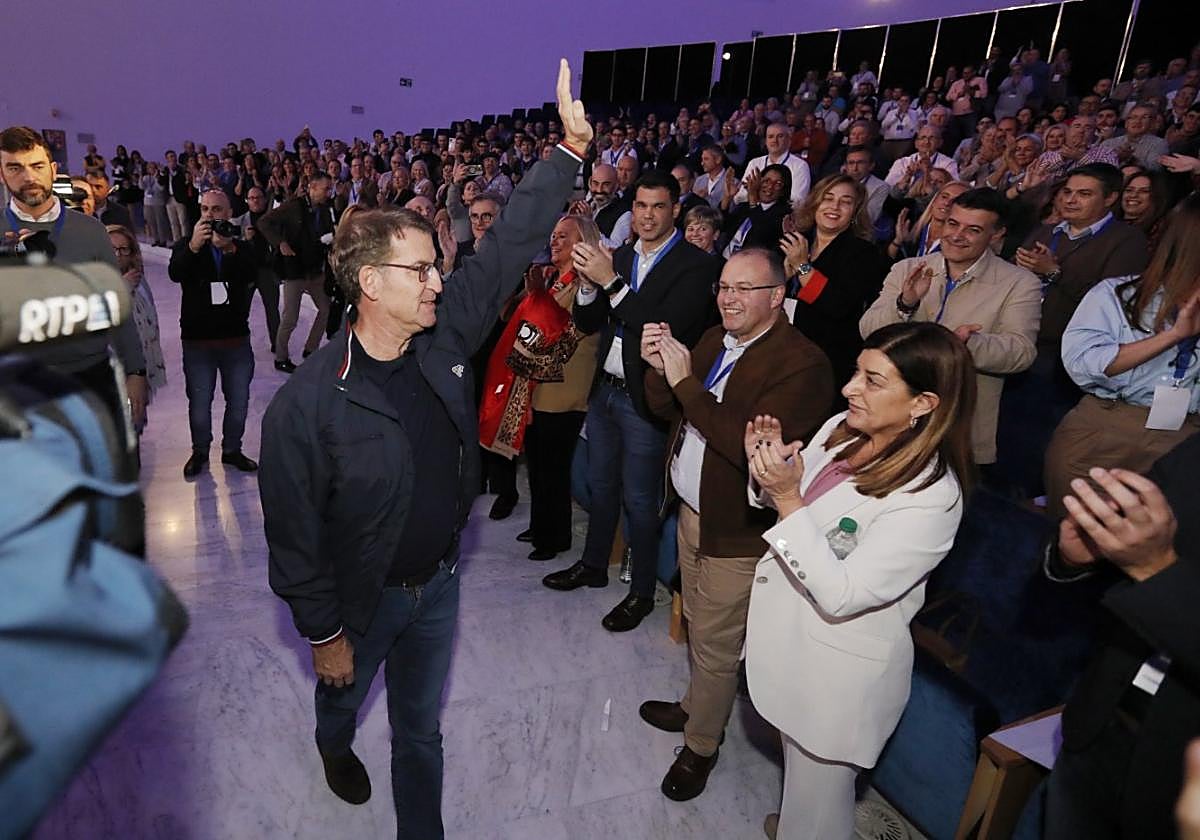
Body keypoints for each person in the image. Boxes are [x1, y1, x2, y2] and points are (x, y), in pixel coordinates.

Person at [258, 59, 589, 840]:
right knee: (343, 698)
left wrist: (567, 156)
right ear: (370, 284)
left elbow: (506, 250)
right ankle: (333, 744)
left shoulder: (442, 341)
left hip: (438, 585)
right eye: (421, 269)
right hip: (360, 601)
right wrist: (325, 634)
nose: (440, 280)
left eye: (437, 267)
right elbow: (295, 542)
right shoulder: (307, 405)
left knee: (421, 731)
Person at [744, 320, 976, 839]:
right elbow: (791, 518)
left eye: (874, 381)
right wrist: (768, 472)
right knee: (804, 787)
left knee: (822, 811)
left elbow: (843, 593)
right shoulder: (839, 430)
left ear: (923, 404)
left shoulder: (933, 496)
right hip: (793, 644)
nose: (850, 388)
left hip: (838, 674)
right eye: (856, 373)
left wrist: (786, 496)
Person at [636, 248, 834, 801]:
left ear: (776, 296)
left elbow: (743, 447)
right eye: (724, 286)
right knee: (700, 625)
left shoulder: (801, 363)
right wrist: (662, 372)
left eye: (745, 289)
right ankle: (697, 704)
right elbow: (669, 410)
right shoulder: (714, 340)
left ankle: (701, 745)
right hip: (694, 513)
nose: (728, 298)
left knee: (718, 643)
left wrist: (685, 384)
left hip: (738, 531)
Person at [542, 170, 721, 632]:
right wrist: (587, 282)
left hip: (649, 398)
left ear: (675, 210)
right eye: (640, 206)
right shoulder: (618, 255)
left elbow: (662, 328)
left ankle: (641, 592)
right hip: (606, 387)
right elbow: (587, 320)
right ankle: (593, 564)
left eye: (658, 206)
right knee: (600, 486)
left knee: (641, 502)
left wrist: (611, 283)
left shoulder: (696, 265)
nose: (647, 215)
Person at [1043, 436, 1200, 840]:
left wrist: (1156, 571)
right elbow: (1135, 534)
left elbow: (1154, 564)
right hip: (1100, 723)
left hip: (1179, 780)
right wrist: (1079, 555)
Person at [1044, 194, 1200, 520]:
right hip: (1106, 428)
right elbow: (1084, 365)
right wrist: (1172, 336)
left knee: (1152, 554)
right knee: (1073, 541)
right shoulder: (1116, 294)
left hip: (1184, 438)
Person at [862, 188, 1042, 467]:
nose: (957, 235)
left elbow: (1021, 352)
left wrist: (966, 345)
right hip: (891, 415)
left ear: (996, 234)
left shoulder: (1020, 283)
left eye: (973, 230)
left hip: (957, 426)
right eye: (952, 223)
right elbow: (869, 331)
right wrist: (906, 303)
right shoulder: (908, 268)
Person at [0, 125, 148, 429]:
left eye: (37, 166)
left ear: (53, 170)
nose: (28, 177)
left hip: (90, 378)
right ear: (2, 174)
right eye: (15, 167)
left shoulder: (90, 230)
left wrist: (136, 373)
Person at [503, 215, 602, 561]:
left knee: (554, 467)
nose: (555, 241)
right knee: (537, 462)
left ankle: (554, 536)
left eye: (564, 236)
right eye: (554, 235)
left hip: (565, 387)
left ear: (582, 242)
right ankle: (540, 524)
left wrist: (537, 299)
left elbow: (565, 334)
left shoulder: (585, 284)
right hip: (538, 383)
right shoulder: (552, 279)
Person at [168, 189, 259, 478]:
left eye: (216, 209)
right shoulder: (187, 245)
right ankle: (200, 451)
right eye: (205, 209)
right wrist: (194, 247)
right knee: (199, 402)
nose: (209, 215)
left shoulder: (241, 247)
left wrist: (230, 249)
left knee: (239, 400)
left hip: (235, 338)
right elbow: (175, 273)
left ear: (228, 213)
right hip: (198, 340)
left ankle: (232, 450)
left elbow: (253, 272)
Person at [780, 174, 889, 397]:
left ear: (855, 212)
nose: (835, 207)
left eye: (846, 202)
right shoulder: (797, 241)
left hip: (824, 362)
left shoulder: (863, 253)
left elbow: (837, 304)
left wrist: (803, 267)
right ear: (815, 203)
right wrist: (782, 275)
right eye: (828, 198)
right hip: (781, 351)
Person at [257, 171, 336, 372]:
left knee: (325, 310)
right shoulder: (294, 206)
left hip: (315, 271)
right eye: (326, 188)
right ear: (313, 187)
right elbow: (264, 222)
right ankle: (281, 357)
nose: (329, 192)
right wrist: (280, 242)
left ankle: (311, 350)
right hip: (295, 271)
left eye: (330, 188)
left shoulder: (326, 210)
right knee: (290, 318)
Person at [107, 225, 166, 431]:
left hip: (140, 367)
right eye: (112, 249)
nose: (118, 255)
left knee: (136, 428)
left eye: (124, 249)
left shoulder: (139, 280)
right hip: (114, 374)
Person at [722, 164, 792, 259]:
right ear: (759, 182)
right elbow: (721, 226)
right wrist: (727, 197)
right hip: (725, 259)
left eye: (778, 184)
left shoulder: (785, 215)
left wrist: (753, 199)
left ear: (783, 191)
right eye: (766, 181)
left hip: (752, 266)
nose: (770, 186)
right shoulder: (744, 207)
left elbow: (761, 235)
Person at [733, 123, 812, 206]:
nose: (774, 140)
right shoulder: (754, 163)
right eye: (770, 137)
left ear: (789, 140)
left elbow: (797, 201)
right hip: (751, 212)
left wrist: (756, 193)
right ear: (766, 141)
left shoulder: (800, 166)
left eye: (780, 136)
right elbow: (740, 197)